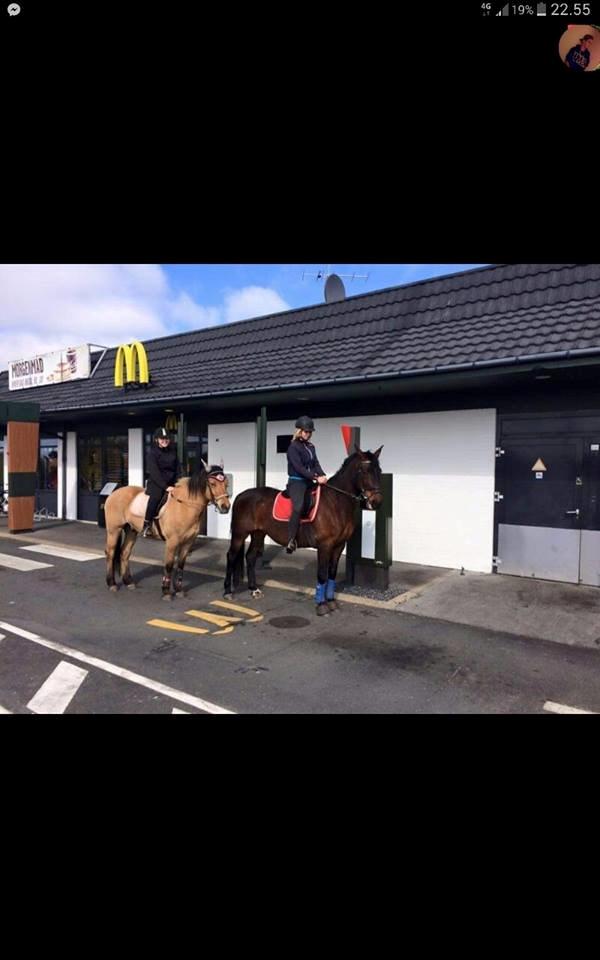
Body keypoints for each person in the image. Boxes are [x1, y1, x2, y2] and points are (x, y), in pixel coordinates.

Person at [285, 415, 327, 553]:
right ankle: (291, 539)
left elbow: (315, 463)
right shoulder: (293, 447)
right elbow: (298, 468)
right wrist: (314, 476)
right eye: (306, 431)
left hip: (309, 481)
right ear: (299, 431)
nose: (308, 434)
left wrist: (322, 475)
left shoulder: (311, 446)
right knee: (298, 506)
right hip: (297, 482)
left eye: (310, 432)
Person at [142, 427, 182, 537]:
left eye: (167, 438)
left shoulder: (173, 451)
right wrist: (165, 487)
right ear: (157, 440)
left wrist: (179, 481)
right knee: (155, 499)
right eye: (162, 438)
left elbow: (178, 468)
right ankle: (147, 524)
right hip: (157, 484)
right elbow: (154, 472)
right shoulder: (152, 454)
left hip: (173, 483)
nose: (165, 440)